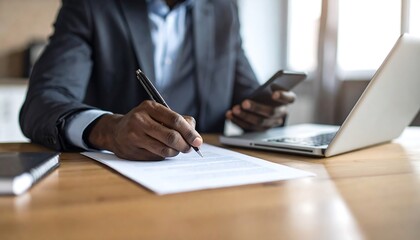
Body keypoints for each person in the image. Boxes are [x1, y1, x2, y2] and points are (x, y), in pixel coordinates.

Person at [19, 0, 296, 160]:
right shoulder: (93, 6)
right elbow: (42, 104)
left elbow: (246, 97)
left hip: (208, 182)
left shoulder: (223, 9)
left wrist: (265, 113)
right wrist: (109, 130)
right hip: (110, 189)